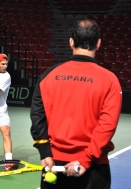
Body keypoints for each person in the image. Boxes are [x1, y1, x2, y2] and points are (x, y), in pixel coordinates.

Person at [30, 19, 122, 189]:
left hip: (53, 165)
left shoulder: (48, 75)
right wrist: (86, 159)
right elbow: (107, 126)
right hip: (94, 167)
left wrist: (44, 151)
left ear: (71, 41)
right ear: (99, 43)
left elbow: (37, 116)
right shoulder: (110, 80)